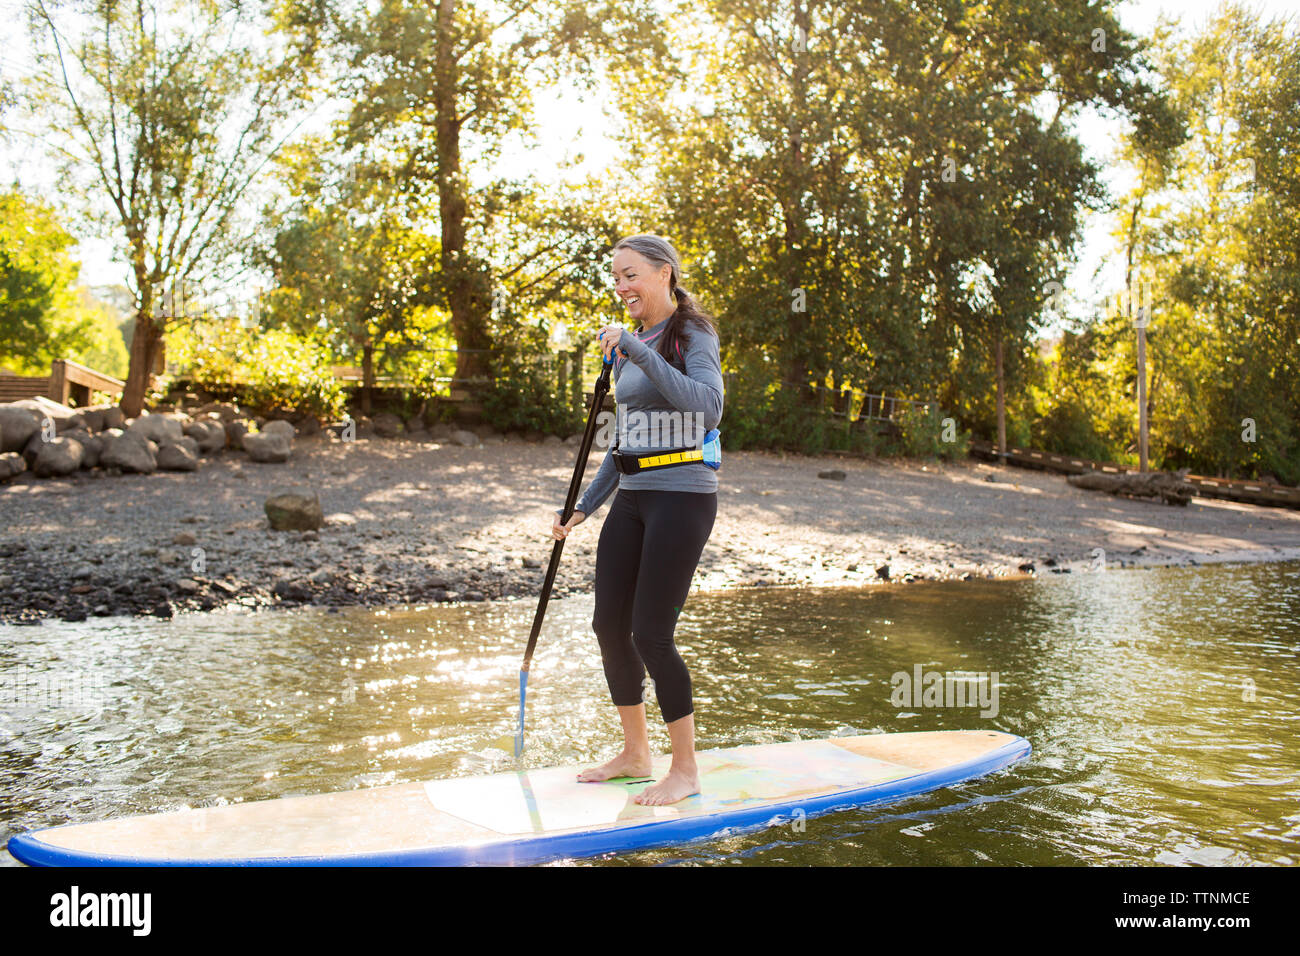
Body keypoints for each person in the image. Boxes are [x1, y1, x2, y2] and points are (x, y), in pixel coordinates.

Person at [550, 234, 723, 806]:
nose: (621, 286)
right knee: (608, 626)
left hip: (682, 496)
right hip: (633, 494)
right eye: (616, 278)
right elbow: (625, 441)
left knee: (651, 632)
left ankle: (687, 770)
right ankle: (635, 754)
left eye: (631, 275)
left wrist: (638, 351)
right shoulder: (635, 343)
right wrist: (583, 507)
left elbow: (706, 409)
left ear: (664, 273)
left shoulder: (690, 335)